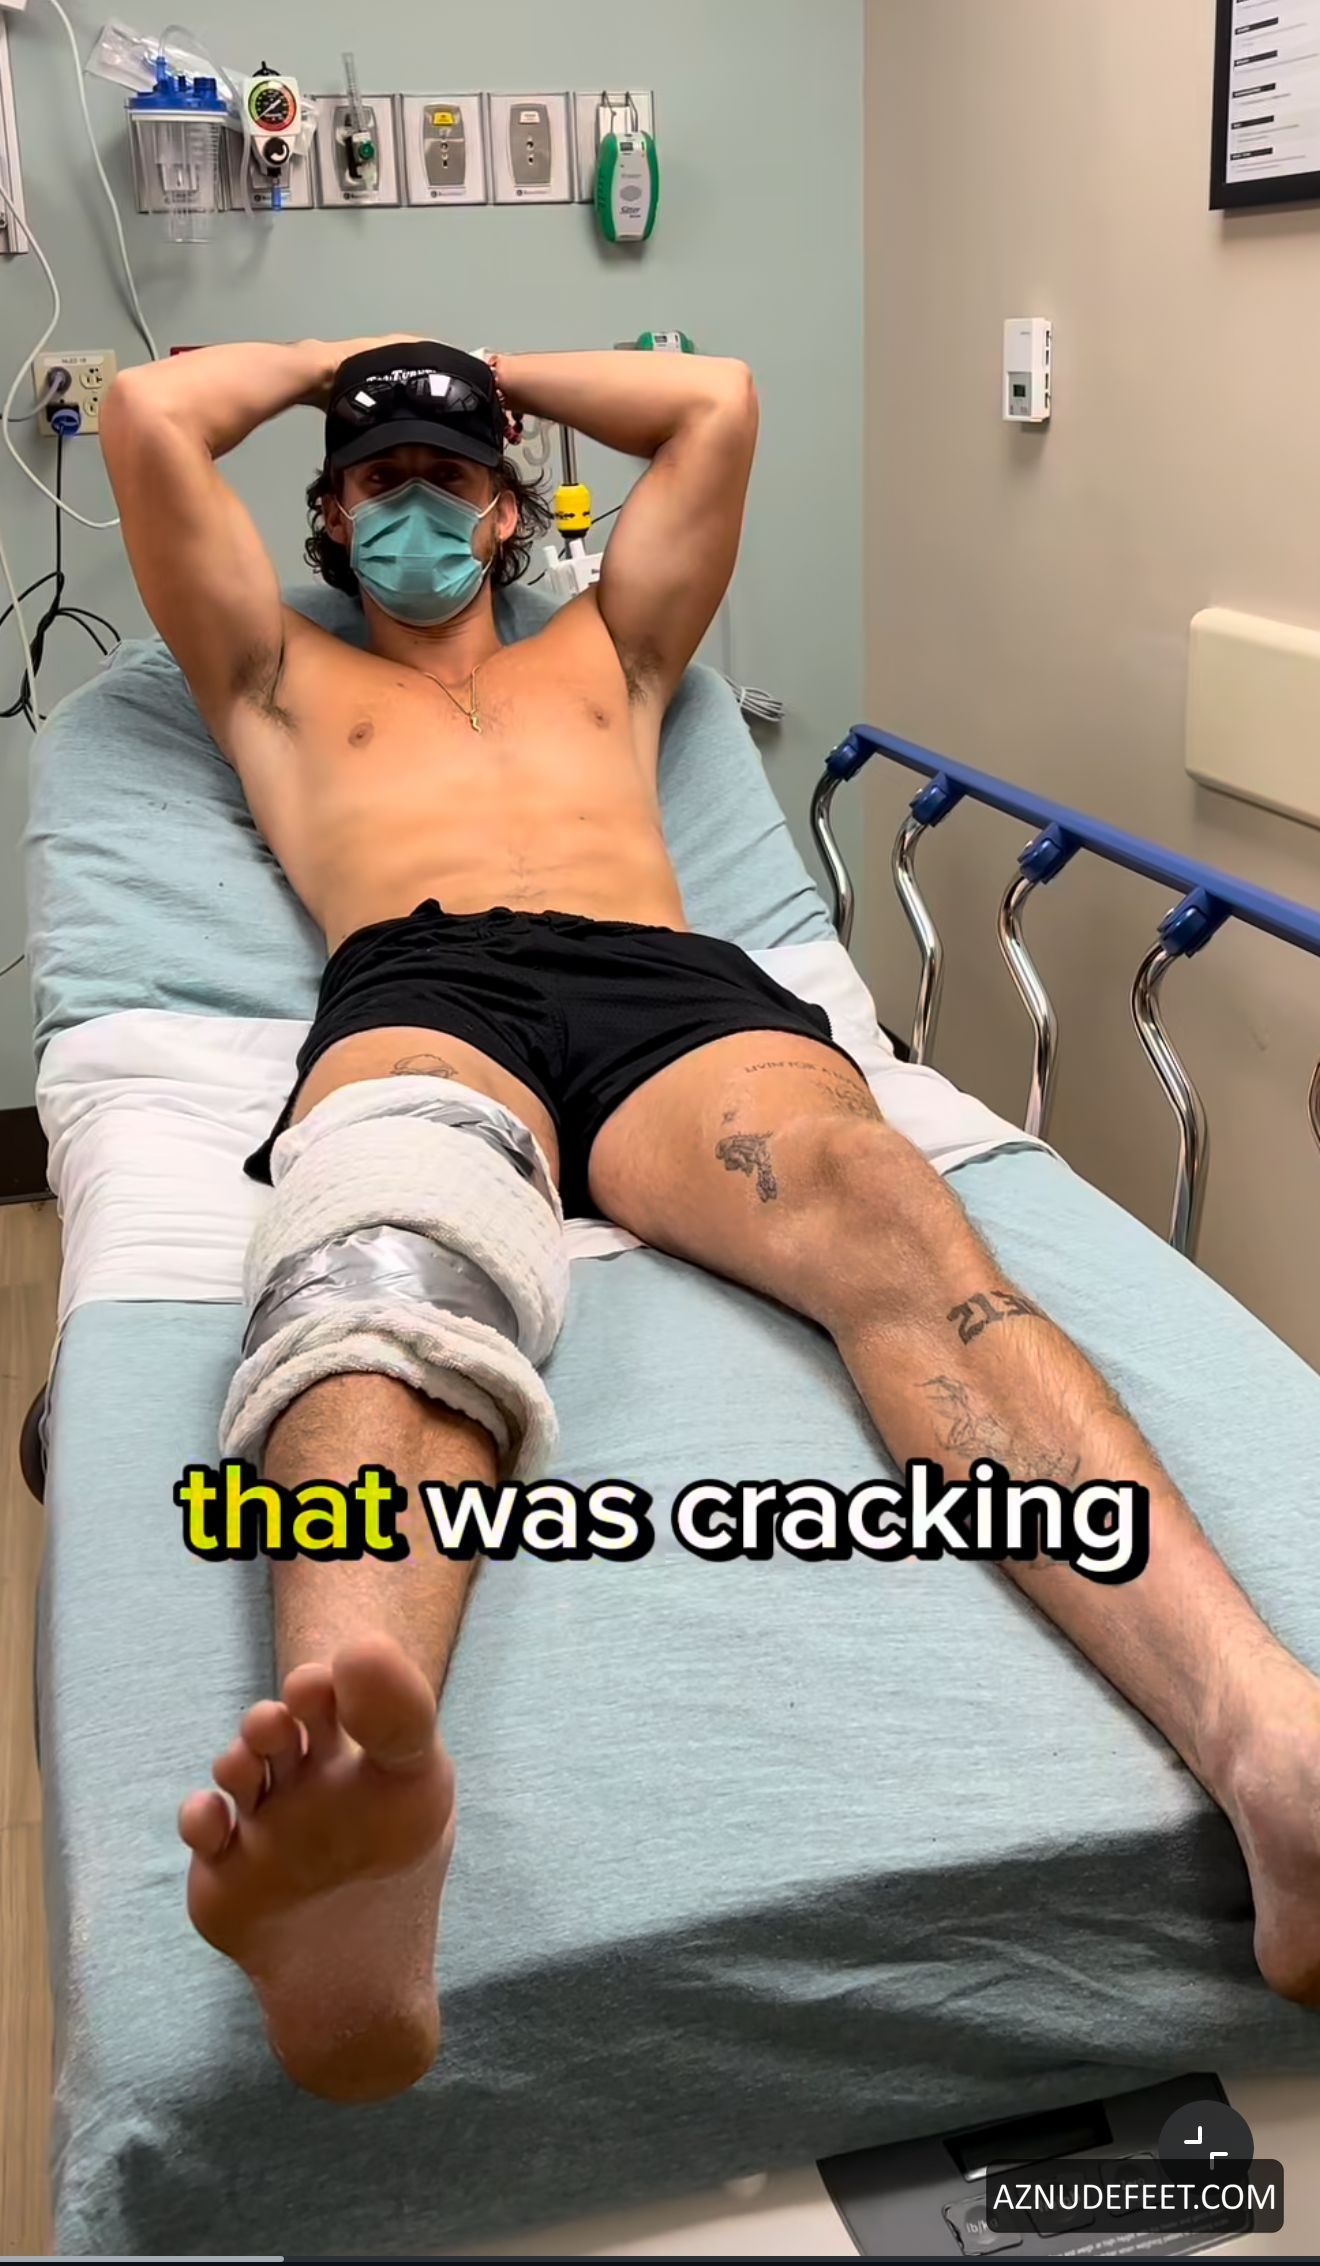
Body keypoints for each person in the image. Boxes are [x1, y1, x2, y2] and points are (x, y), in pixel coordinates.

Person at [101, 338, 1320, 2104]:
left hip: (670, 995)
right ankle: (359, 1803)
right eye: (378, 481)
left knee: (886, 1211)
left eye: (451, 475)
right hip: (424, 980)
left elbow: (720, 404)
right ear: (331, 517)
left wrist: (480, 374)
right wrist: (339, 373)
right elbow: (147, 416)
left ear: (509, 509)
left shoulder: (613, 649)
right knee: (387, 1239)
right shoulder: (275, 671)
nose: (416, 506)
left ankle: (1272, 1741)